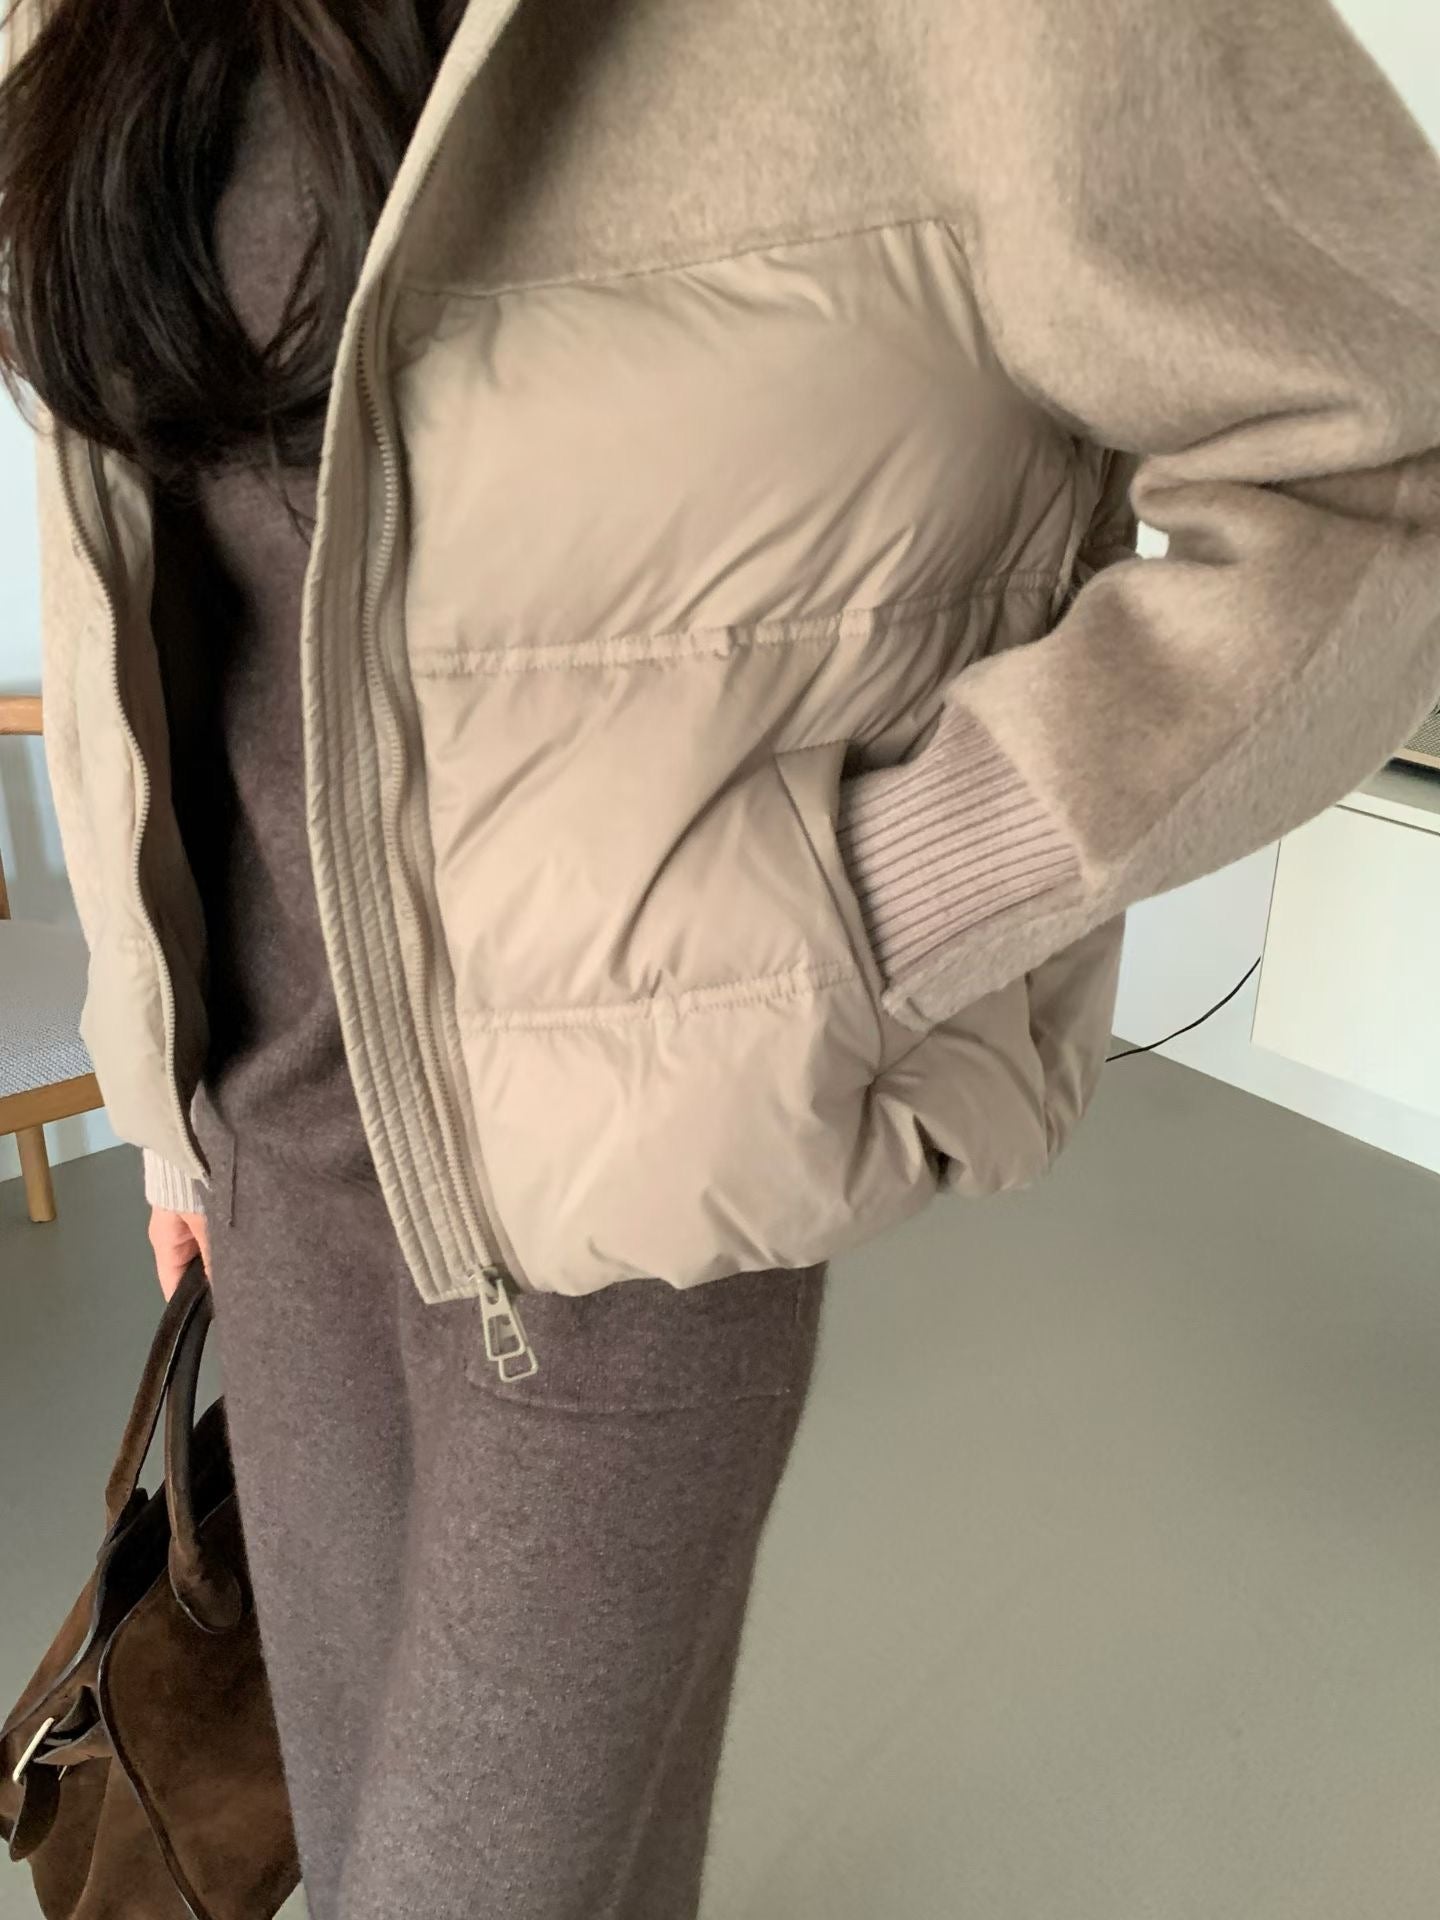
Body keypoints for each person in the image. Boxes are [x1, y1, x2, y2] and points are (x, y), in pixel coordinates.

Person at [3, 0, 1439, 1912]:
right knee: (350, 1838)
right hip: (265, 1136)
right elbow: (140, 540)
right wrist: (152, 1050)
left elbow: (1387, 462)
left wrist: (849, 915)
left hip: (628, 1207)